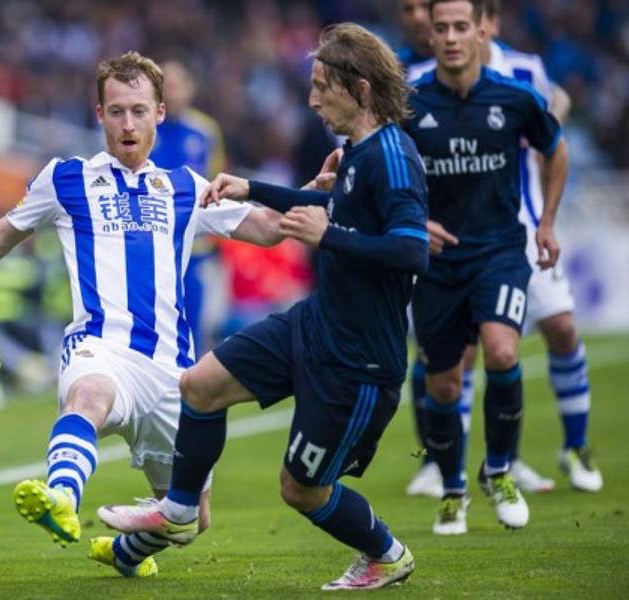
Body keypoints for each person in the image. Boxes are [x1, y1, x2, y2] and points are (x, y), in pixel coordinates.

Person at [0, 51, 283, 578]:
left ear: (160, 114)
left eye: (140, 111)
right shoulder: (66, 178)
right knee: (90, 394)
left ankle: (123, 555)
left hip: (174, 371)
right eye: (118, 111)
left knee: (192, 522)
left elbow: (267, 228)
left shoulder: (187, 188)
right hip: (99, 345)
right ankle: (60, 497)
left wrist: (321, 194)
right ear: (98, 114)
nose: (128, 124)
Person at [97, 23, 428, 591]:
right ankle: (178, 511)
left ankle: (388, 554)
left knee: (301, 489)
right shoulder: (355, 150)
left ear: (362, 89)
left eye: (323, 85)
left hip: (359, 362)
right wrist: (252, 188)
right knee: (200, 384)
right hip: (314, 325)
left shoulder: (393, 158)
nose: (313, 98)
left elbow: (411, 250)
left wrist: (330, 238)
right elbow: (324, 208)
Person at [405, 0, 602, 497]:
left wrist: (547, 220)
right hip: (451, 245)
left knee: (556, 327)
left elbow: (551, 127)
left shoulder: (523, 73)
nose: (453, 35)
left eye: (465, 24)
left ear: (486, 25)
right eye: (441, 25)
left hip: (517, 229)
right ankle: (455, 469)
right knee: (460, 359)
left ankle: (567, 448)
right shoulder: (418, 85)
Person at [150, 59, 227, 357]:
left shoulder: (205, 131)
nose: (171, 92)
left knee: (193, 325)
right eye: (164, 86)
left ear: (189, 88)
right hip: (154, 245)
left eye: (176, 85)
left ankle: (190, 390)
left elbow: (214, 181)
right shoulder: (145, 129)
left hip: (194, 248)